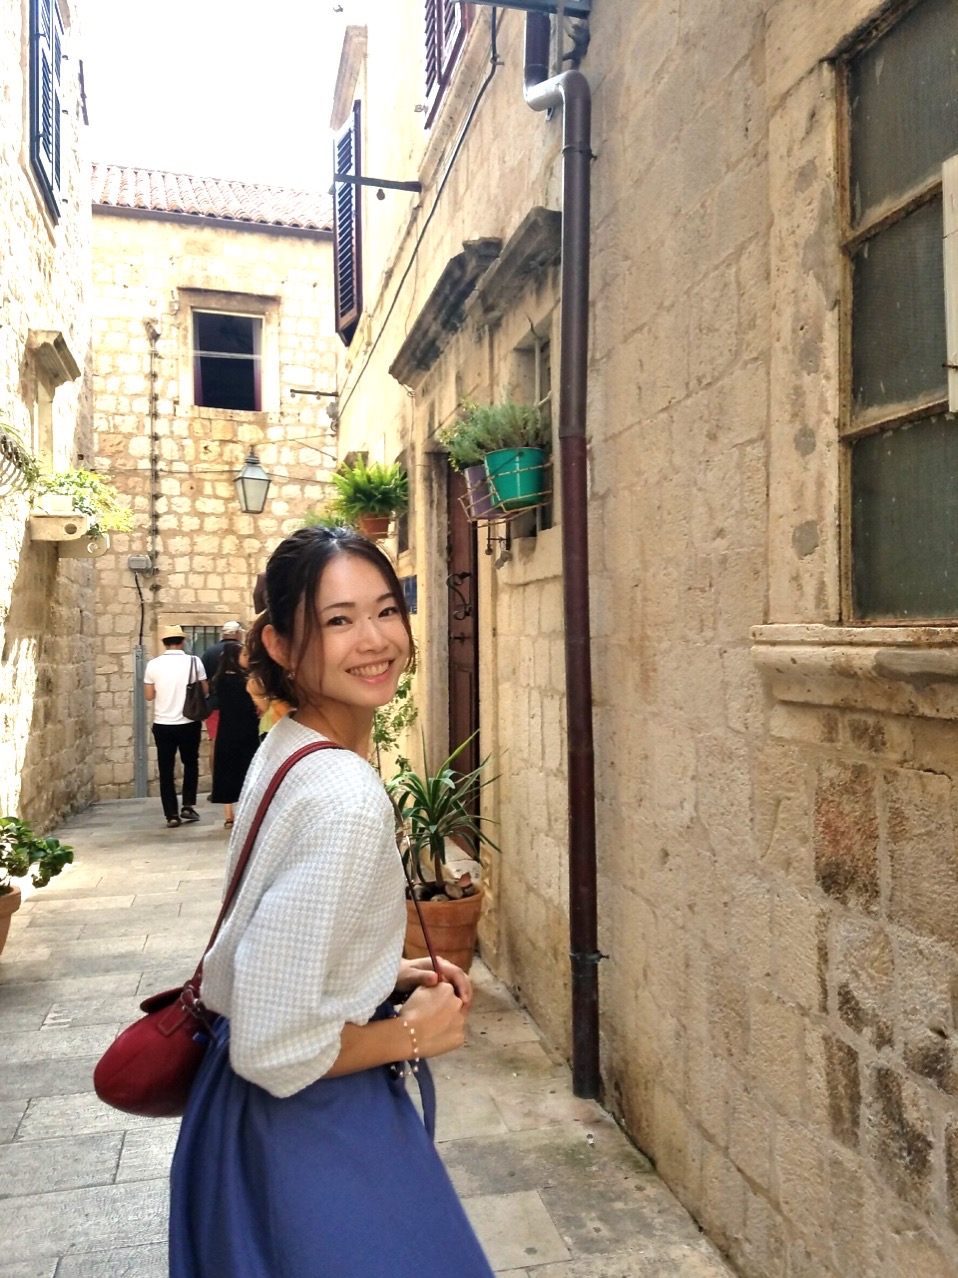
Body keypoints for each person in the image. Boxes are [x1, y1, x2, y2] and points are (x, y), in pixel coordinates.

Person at [169, 527, 493, 1278]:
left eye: (385, 610)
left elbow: (275, 931)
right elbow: (274, 1048)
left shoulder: (289, 745)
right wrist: (413, 1035)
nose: (374, 640)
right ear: (281, 645)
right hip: (312, 1130)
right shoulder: (345, 796)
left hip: (245, 1117)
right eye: (338, 620)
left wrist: (377, 973)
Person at [143, 624, 206, 829]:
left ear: (164, 643)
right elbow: (204, 690)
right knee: (191, 763)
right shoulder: (194, 662)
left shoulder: (153, 665)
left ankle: (171, 815)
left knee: (166, 769)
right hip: (188, 722)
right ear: (182, 641)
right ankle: (187, 805)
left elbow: (149, 696)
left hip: (162, 724)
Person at [208, 640, 260, 828]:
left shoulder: (219, 680)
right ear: (234, 658)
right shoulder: (245, 681)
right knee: (246, 770)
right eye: (244, 655)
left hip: (226, 730)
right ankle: (247, 812)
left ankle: (229, 815)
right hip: (246, 730)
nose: (247, 658)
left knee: (227, 771)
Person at [200, 621, 244, 771]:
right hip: (239, 706)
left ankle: (216, 781)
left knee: (215, 743)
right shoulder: (242, 652)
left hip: (215, 705)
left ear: (223, 634)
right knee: (239, 743)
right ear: (238, 633)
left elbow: (203, 680)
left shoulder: (209, 652)